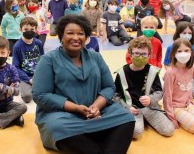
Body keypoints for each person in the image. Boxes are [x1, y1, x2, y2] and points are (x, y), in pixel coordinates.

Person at [32, 14, 135, 153]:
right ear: (61, 35)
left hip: (98, 110)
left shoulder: (95, 57)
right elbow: (40, 95)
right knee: (57, 128)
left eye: (80, 33)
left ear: (86, 37)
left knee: (126, 117)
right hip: (62, 114)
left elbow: (109, 87)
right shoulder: (48, 60)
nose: (76, 37)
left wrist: (96, 106)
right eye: (70, 33)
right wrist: (75, 108)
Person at [115, 37, 174, 139]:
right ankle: (141, 119)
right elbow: (116, 96)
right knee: (136, 133)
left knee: (169, 130)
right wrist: (127, 108)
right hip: (132, 109)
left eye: (144, 54)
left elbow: (159, 92)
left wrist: (151, 99)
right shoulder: (121, 72)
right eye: (136, 53)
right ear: (130, 54)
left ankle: (146, 118)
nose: (140, 57)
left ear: (149, 55)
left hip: (150, 107)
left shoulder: (152, 71)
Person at [163, 38, 194, 134]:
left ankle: (185, 118)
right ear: (174, 54)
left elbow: (188, 87)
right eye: (179, 51)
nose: (183, 53)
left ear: (191, 52)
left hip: (188, 105)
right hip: (175, 107)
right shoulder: (170, 72)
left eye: (186, 50)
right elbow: (167, 95)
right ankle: (181, 120)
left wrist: (191, 102)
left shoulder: (192, 68)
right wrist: (171, 116)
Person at [12, 18, 44, 103]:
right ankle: (22, 84)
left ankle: (35, 87)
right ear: (20, 30)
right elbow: (16, 67)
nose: (29, 31)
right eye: (26, 29)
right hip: (25, 75)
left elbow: (43, 60)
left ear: (36, 30)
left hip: (38, 73)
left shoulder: (39, 43)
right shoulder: (17, 46)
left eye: (32, 29)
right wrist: (28, 80)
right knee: (27, 97)